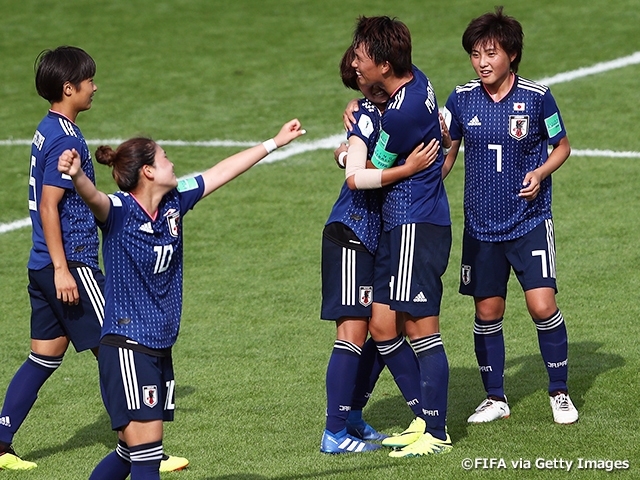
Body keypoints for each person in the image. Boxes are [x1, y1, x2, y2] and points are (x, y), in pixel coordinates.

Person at [58, 119, 305, 478]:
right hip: (128, 345)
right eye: (165, 157)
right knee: (147, 452)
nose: (172, 163)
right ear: (148, 171)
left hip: (159, 345)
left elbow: (220, 172)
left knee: (130, 453)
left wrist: (275, 142)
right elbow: (93, 198)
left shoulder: (174, 201)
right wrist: (79, 176)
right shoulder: (120, 211)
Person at [0, 46, 188, 474]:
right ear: (69, 89)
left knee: (44, 356)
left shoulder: (48, 128)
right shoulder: (66, 138)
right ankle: (143, 446)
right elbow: (50, 206)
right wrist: (66, 269)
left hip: (42, 263)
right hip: (71, 265)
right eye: (89, 81)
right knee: (117, 346)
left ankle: (0, 439)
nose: (95, 86)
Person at [441, 6, 578, 425]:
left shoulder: (537, 97)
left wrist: (539, 172)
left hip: (529, 220)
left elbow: (562, 146)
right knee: (487, 313)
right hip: (481, 226)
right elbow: (445, 155)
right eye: (476, 55)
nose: (482, 63)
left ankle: (559, 392)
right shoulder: (460, 99)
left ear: (512, 55)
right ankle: (495, 397)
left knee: (542, 305)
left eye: (491, 54)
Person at [321, 46, 440, 454]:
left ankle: (353, 417)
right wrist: (403, 168)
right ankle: (335, 433)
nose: (361, 75)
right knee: (353, 334)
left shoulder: (389, 106)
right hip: (351, 234)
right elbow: (355, 175)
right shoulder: (367, 118)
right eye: (356, 76)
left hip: (374, 236)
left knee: (380, 325)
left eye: (362, 67)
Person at [345, 16, 453, 457]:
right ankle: (423, 418)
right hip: (403, 224)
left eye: (361, 57)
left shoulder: (403, 113)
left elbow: (365, 175)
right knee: (384, 324)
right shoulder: (415, 81)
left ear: (385, 65)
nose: (355, 62)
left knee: (422, 329)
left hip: (415, 224)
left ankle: (437, 432)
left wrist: (352, 136)